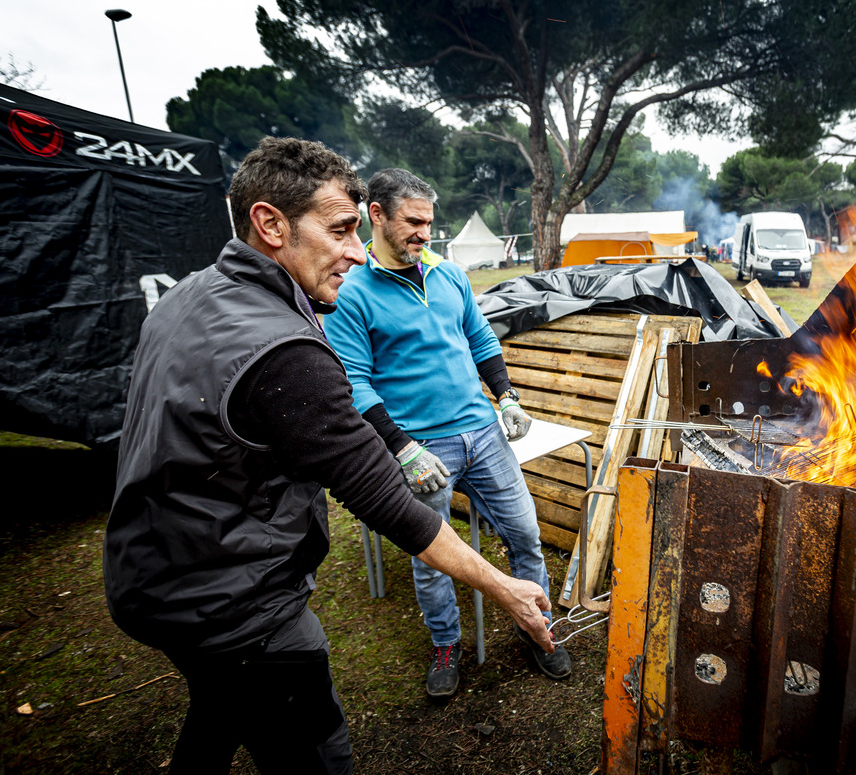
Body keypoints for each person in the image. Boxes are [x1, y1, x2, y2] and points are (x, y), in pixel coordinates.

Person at [102, 138, 554, 775]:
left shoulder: (189, 294)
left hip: (150, 573)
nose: (353, 251)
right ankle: (447, 645)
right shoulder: (284, 348)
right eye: (341, 230)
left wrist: (502, 396)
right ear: (270, 223)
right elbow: (379, 495)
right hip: (236, 600)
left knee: (220, 708)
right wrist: (502, 585)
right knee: (316, 754)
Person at [323, 168, 572, 702]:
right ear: (377, 216)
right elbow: (355, 384)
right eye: (413, 222)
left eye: (429, 223)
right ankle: (445, 643)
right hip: (421, 447)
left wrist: (506, 397)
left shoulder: (450, 275)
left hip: (484, 435)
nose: (424, 233)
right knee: (432, 554)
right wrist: (401, 447)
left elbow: (480, 340)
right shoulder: (351, 290)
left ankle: (537, 626)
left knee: (525, 536)